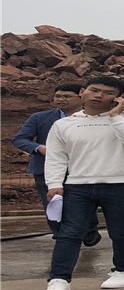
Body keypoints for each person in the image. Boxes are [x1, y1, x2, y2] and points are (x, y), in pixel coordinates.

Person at [41, 75, 124, 290]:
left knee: (120, 231)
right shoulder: (64, 124)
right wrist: (54, 184)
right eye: (94, 90)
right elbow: (56, 157)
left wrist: (115, 116)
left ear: (118, 98)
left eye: (108, 93)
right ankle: (59, 279)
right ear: (83, 92)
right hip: (78, 186)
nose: (99, 96)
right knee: (69, 233)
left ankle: (123, 271)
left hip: (122, 184)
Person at [11, 83, 101, 244]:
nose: (61, 99)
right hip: (46, 169)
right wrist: (40, 148)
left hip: (82, 168)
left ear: (81, 96)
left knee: (85, 202)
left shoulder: (94, 118)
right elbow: (20, 139)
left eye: (66, 96)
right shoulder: (39, 118)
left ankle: (89, 230)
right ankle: (60, 235)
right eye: (58, 96)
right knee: (53, 203)